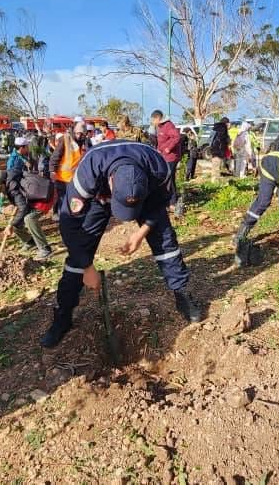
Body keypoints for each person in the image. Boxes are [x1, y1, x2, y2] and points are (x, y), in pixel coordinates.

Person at [39, 140, 205, 348]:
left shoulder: (158, 169)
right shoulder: (88, 171)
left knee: (165, 242)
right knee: (79, 251)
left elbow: (158, 207)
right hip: (98, 199)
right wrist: (87, 266)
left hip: (146, 198)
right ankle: (62, 316)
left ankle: (182, 295)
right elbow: (69, 223)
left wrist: (141, 233)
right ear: (111, 181)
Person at [1, 168, 53, 261]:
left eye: (0, 189)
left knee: (29, 219)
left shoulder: (12, 186)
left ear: (3, 183)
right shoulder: (10, 180)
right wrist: (12, 223)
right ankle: (29, 242)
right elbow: (21, 203)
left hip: (44, 197)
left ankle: (45, 249)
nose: (0, 192)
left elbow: (23, 207)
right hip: (32, 198)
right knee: (16, 220)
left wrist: (10, 225)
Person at [50, 121, 87, 221]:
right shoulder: (65, 139)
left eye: (82, 134)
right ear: (74, 131)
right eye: (78, 133)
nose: (80, 136)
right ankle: (63, 218)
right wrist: (52, 170)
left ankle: (71, 218)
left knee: (74, 199)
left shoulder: (84, 142)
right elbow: (55, 156)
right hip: (62, 178)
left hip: (75, 179)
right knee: (63, 200)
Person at [151, 110, 182, 216]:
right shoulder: (159, 127)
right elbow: (161, 140)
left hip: (171, 157)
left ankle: (172, 202)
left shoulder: (168, 125)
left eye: (153, 120)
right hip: (163, 157)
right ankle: (169, 201)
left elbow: (177, 137)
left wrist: (168, 148)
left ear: (157, 118)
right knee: (167, 178)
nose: (152, 122)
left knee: (169, 178)